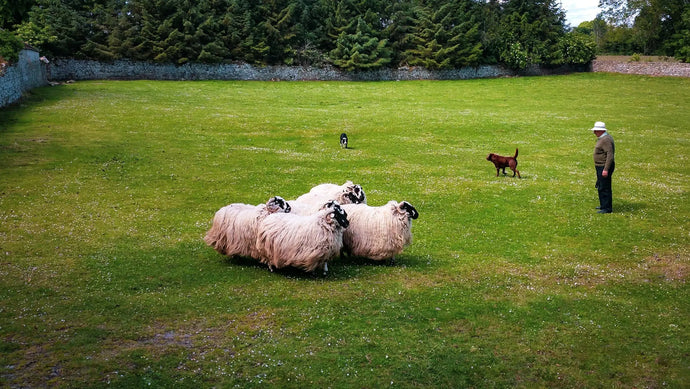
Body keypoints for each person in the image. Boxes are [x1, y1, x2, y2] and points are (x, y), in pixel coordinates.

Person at [590, 121, 615, 213]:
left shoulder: (606, 140)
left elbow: (610, 155)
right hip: (600, 166)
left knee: (605, 187)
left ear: (601, 131)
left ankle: (607, 208)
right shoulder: (603, 138)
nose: (594, 132)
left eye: (596, 131)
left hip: (603, 166)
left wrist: (605, 169)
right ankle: (603, 205)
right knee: (601, 186)